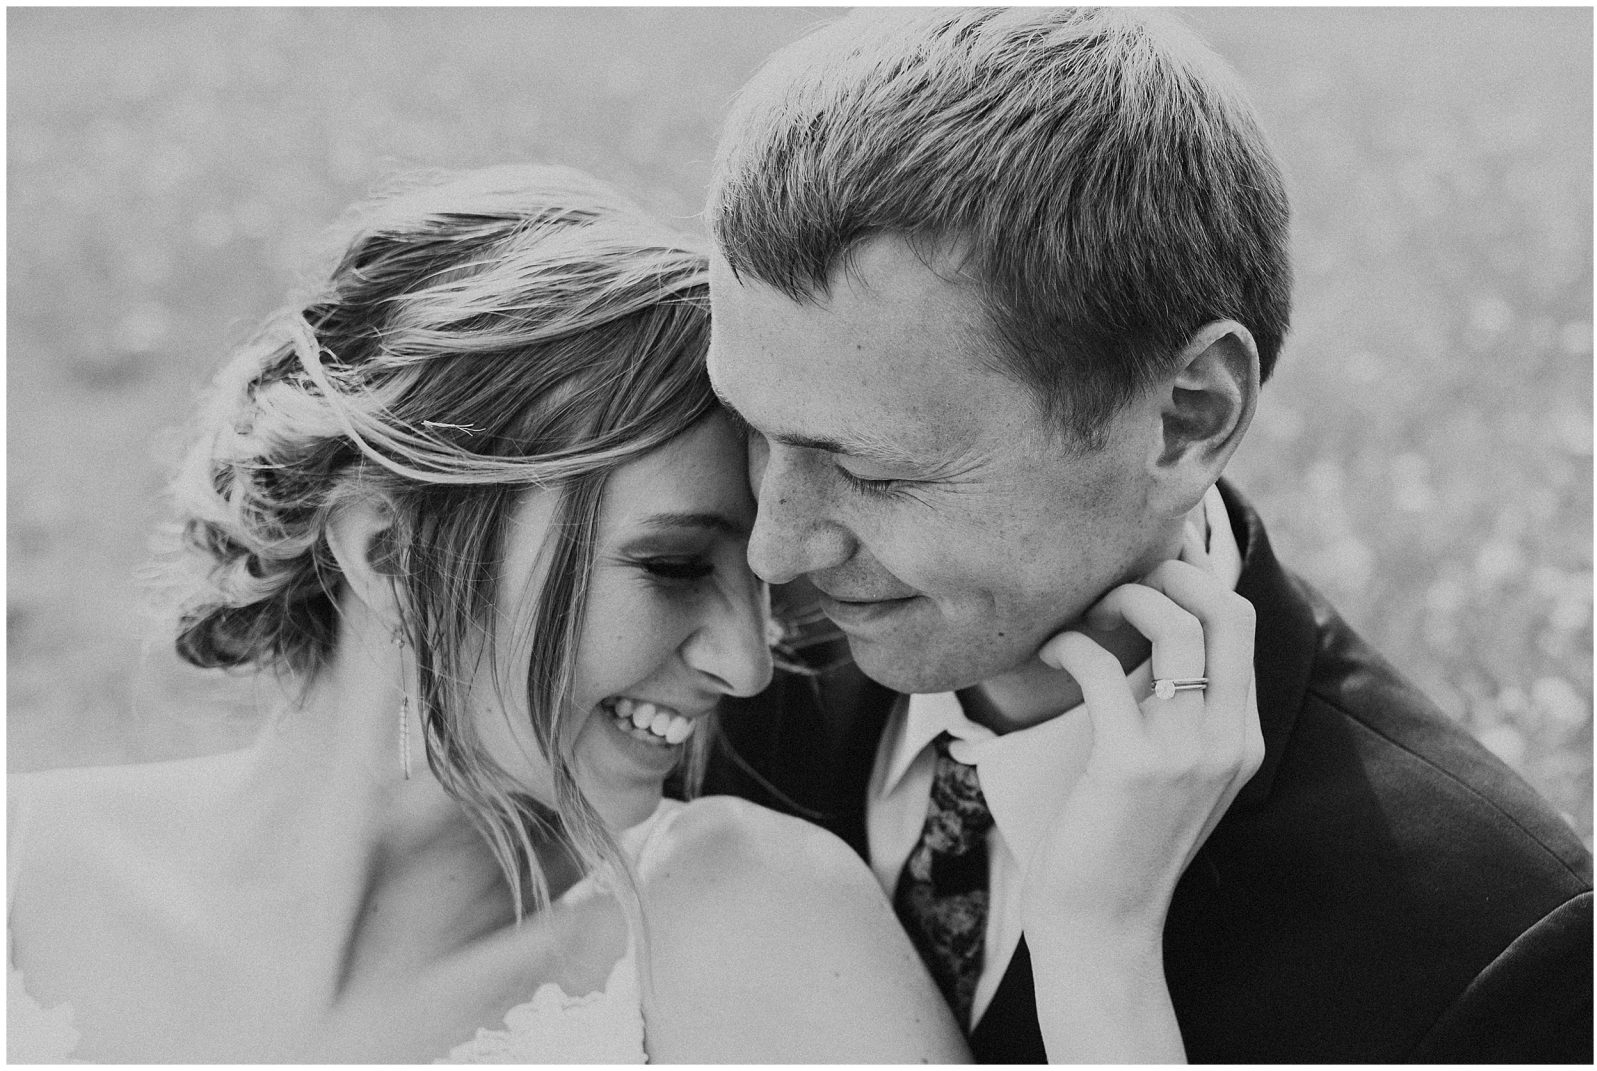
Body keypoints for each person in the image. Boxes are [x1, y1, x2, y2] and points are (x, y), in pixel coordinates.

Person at [701, 8, 1593, 1064]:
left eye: (874, 469)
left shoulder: (1491, 949)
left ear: (1188, 417)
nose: (772, 551)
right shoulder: (706, 666)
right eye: (753, 433)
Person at [7, 164, 974, 1063]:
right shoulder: (27, 878)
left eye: (762, 584)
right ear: (390, 550)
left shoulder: (752, 922)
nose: (746, 661)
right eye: (674, 564)